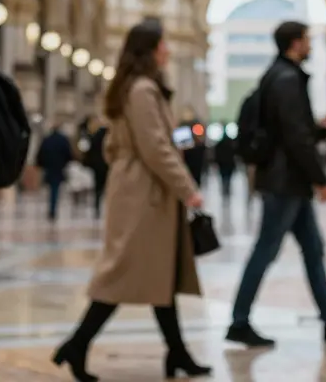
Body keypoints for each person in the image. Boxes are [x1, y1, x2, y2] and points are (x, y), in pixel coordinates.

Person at [52, 21, 209, 381]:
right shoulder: (141, 90)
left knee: (161, 275)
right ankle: (76, 344)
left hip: (141, 190)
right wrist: (188, 188)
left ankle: (178, 353)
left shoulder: (135, 88)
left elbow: (113, 147)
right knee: (122, 273)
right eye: (163, 44)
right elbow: (155, 148)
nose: (168, 50)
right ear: (151, 50)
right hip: (144, 195)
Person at [227, 21, 326, 347]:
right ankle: (238, 321)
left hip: (287, 179)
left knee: (313, 249)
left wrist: (319, 130)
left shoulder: (278, 75)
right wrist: (320, 179)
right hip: (285, 181)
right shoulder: (288, 78)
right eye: (307, 39)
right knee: (266, 249)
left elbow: (292, 130)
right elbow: (294, 138)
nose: (310, 45)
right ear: (295, 43)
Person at [37, 126, 74, 221]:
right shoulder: (63, 140)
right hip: (58, 167)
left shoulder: (47, 140)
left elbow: (41, 153)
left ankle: (52, 209)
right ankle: (52, 209)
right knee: (55, 188)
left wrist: (41, 164)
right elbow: (68, 154)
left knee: (52, 188)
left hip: (49, 167)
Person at [214, 121, 238, 201]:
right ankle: (226, 190)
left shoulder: (220, 143)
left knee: (224, 177)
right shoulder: (230, 143)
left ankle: (225, 190)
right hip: (228, 163)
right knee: (227, 177)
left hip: (223, 163)